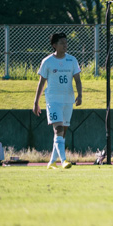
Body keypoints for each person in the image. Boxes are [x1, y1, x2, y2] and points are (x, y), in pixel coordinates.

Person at [33, 32, 82, 169]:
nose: (65, 45)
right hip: (53, 101)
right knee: (58, 129)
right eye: (62, 43)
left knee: (63, 133)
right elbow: (41, 82)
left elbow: (77, 79)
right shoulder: (47, 61)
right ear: (54, 45)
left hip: (68, 100)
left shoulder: (72, 60)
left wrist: (80, 95)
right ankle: (63, 161)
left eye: (66, 43)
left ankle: (52, 162)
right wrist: (36, 102)